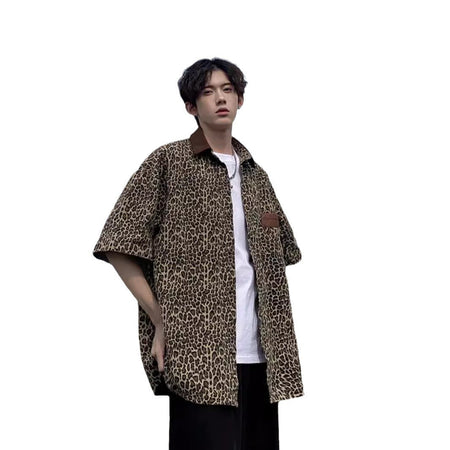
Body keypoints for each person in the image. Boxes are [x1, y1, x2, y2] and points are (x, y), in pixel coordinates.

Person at [92, 57, 304, 450]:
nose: (220, 99)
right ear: (191, 106)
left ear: (240, 99)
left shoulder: (257, 175)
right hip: (199, 355)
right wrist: (160, 319)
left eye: (227, 90)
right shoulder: (168, 162)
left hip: (264, 358)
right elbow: (117, 242)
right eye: (208, 92)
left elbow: (283, 254)